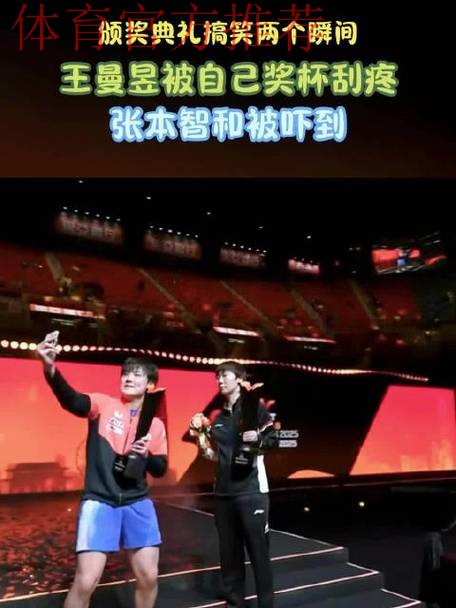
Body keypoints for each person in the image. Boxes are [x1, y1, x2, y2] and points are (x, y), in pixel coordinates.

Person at [36, 331, 167, 608]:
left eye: (136, 375)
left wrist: (145, 456)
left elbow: (160, 469)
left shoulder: (155, 425)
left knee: (149, 576)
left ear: (150, 385)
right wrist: (50, 369)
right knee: (85, 582)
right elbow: (71, 399)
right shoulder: (102, 404)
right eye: (125, 374)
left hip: (137, 503)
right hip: (100, 502)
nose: (128, 378)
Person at [189, 361, 278, 608]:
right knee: (229, 556)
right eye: (217, 377)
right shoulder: (218, 419)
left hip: (251, 492)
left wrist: (258, 438)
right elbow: (214, 456)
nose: (219, 380)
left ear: (239, 379)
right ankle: (235, 603)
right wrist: (201, 437)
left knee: (259, 554)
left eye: (224, 375)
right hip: (223, 495)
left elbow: (273, 440)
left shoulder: (254, 409)